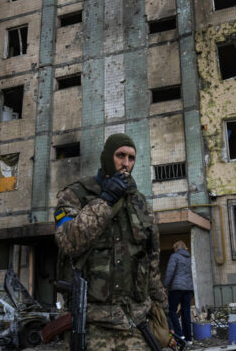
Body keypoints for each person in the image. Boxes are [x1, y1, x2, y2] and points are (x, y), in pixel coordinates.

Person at [54, 133, 168, 350]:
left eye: (131, 158)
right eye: (120, 155)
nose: (126, 164)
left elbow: (152, 263)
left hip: (136, 323)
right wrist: (105, 201)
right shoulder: (75, 195)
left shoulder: (140, 203)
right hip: (91, 323)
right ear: (107, 157)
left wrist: (163, 310)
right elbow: (68, 240)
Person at [163, 240, 194, 344]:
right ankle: (189, 339)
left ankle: (180, 336)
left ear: (176, 248)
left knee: (172, 311)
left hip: (176, 288)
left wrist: (165, 285)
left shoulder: (174, 256)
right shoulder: (189, 257)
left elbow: (169, 272)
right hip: (188, 289)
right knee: (186, 312)